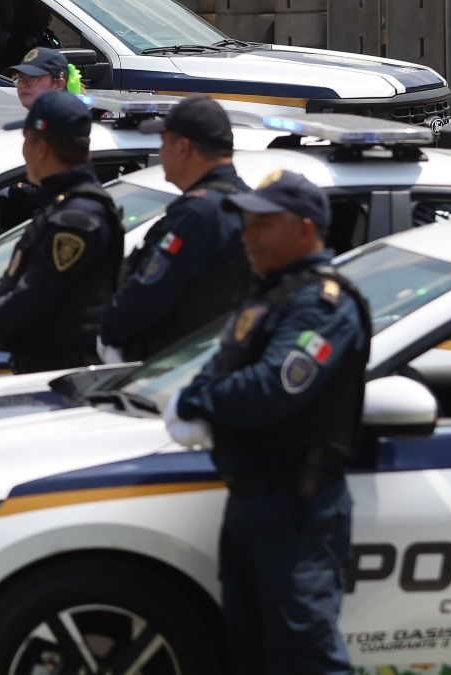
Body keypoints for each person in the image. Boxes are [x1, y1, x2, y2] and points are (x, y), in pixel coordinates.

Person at [164, 170, 371, 675]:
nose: (249, 235)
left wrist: (197, 401)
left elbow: (271, 389)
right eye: (247, 224)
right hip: (251, 499)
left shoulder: (323, 306)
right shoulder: (270, 296)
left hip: (297, 508)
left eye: (263, 224)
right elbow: (226, 364)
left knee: (304, 653)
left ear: (305, 229)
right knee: (249, 651)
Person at [0, 91, 123, 377]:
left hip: (59, 376)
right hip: (41, 368)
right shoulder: (61, 204)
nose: (23, 151)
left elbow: (35, 295)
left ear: (42, 148)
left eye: (25, 141)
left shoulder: (78, 217)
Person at [98, 95, 251, 363]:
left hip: (175, 367)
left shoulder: (198, 215)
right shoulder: (247, 201)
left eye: (164, 142)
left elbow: (144, 299)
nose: (161, 151)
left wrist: (107, 331)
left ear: (183, 148)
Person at [0, 46, 71, 237]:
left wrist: (9, 189)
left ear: (59, 83)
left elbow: (58, 197)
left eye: (33, 78)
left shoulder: (65, 129)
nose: (24, 84)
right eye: (19, 78)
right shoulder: (38, 124)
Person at [4, 0, 61, 69]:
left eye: (48, 10)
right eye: (42, 10)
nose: (48, 15)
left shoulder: (47, 34)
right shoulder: (21, 39)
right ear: (31, 12)